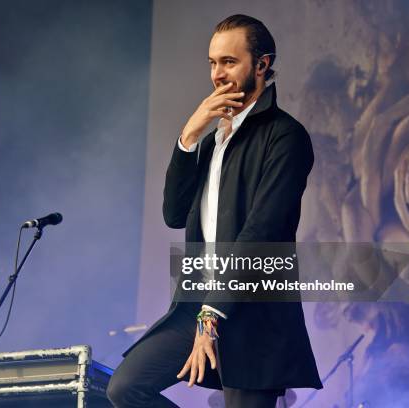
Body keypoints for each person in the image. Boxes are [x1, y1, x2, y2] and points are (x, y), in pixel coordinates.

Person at [107, 14, 322, 408]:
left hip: (253, 316)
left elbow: (259, 236)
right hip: (198, 307)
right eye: (212, 63)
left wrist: (210, 321)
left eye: (229, 62)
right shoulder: (210, 143)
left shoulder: (285, 137)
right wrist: (189, 136)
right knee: (125, 388)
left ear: (262, 64)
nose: (217, 74)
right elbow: (173, 214)